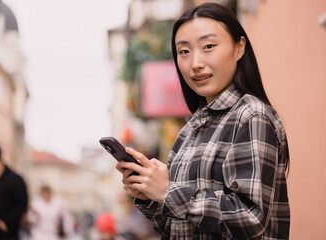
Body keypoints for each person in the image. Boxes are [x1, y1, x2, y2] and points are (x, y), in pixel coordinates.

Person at [116, 2, 290, 240]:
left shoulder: (250, 116)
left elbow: (250, 218)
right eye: (184, 51)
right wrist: (150, 195)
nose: (195, 63)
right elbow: (179, 228)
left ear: (239, 48)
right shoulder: (189, 131)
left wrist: (168, 191)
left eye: (208, 46)